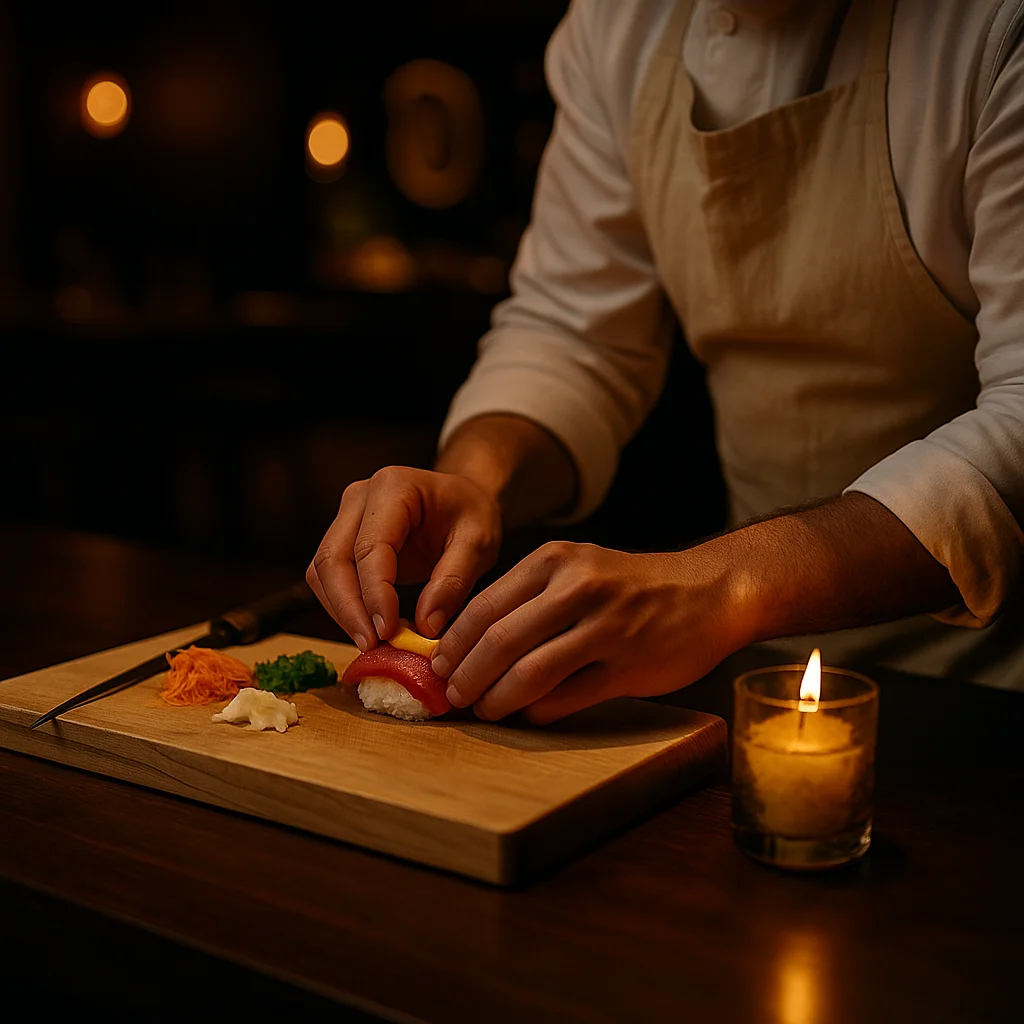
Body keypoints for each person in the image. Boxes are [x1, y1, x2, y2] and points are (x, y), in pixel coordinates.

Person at [307, 0, 1024, 722]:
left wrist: (720, 589)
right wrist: (475, 478)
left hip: (994, 687)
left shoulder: (996, 25)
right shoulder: (615, 22)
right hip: (759, 670)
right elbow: (572, 331)